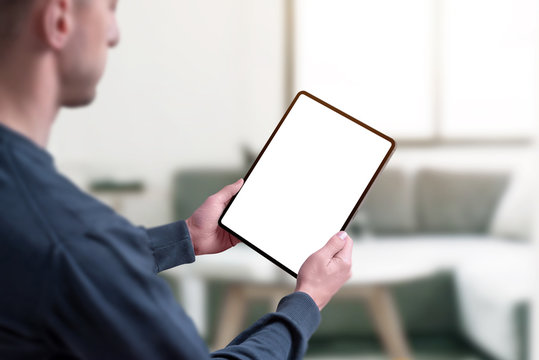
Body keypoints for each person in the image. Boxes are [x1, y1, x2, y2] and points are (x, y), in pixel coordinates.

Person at [0, 0, 353, 358]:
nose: (114, 34)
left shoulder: (52, 234)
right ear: (59, 21)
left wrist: (185, 238)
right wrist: (307, 301)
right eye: (109, 8)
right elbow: (79, 257)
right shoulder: (72, 240)